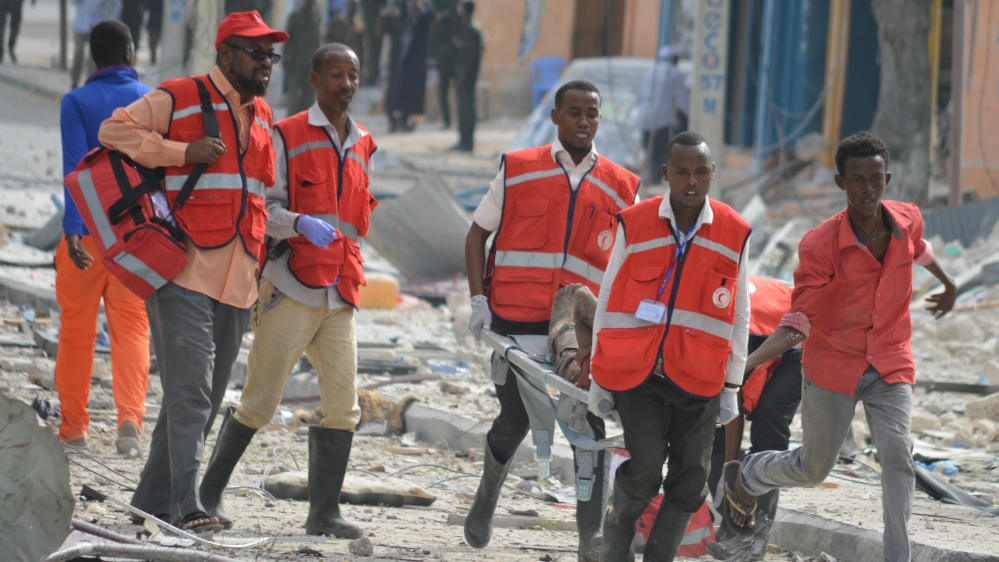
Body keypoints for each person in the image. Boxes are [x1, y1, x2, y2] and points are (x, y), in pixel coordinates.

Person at [719, 132, 958, 562]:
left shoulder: (907, 220)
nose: (867, 189)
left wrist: (948, 283)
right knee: (814, 467)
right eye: (857, 180)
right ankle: (752, 472)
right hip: (832, 366)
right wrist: (749, 363)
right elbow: (797, 320)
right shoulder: (820, 245)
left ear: (887, 178)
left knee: (898, 455)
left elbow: (919, 250)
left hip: (890, 359)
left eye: (875, 179)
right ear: (840, 183)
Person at [98, 10, 288, 534]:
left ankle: (148, 502)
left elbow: (255, 195)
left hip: (239, 274)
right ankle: (188, 506)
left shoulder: (265, 115)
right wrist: (182, 150)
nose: (265, 62)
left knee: (201, 400)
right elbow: (114, 129)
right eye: (256, 52)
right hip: (181, 267)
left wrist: (270, 259)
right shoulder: (181, 94)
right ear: (226, 52)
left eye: (270, 55)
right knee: (190, 394)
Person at [199, 43, 375, 539]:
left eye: (353, 76)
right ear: (315, 80)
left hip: (339, 292)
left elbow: (358, 220)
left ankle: (324, 513)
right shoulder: (287, 134)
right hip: (290, 285)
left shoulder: (363, 143)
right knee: (260, 402)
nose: (346, 85)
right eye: (336, 76)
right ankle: (207, 493)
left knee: (344, 406)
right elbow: (260, 210)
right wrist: (298, 223)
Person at [463, 80, 641, 562]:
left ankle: (589, 542)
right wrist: (478, 300)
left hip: (580, 334)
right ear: (557, 117)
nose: (584, 121)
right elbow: (477, 235)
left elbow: (626, 272)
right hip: (515, 322)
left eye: (593, 114)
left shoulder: (624, 187)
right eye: (575, 112)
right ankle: (486, 498)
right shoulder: (518, 169)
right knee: (514, 420)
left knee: (591, 429)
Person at [589, 131, 750, 562]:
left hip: (700, 379)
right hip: (639, 375)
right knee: (642, 469)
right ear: (666, 174)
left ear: (712, 174)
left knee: (691, 479)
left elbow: (739, 316)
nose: (691, 181)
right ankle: (617, 537)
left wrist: (732, 387)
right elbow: (607, 298)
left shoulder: (734, 232)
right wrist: (597, 375)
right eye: (681, 172)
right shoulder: (635, 222)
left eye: (700, 171)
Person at [57, 19, 150, 457]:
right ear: (129, 52)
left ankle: (74, 429)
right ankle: (130, 421)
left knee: (77, 330)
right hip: (136, 235)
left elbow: (76, 167)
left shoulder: (76, 101)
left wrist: (74, 228)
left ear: (94, 56)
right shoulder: (152, 100)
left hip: (87, 234)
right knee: (131, 325)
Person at [705, 275, 800, 546]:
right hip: (760, 336)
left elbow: (733, 403)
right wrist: (732, 474)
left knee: (769, 419)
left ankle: (758, 531)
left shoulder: (727, 325)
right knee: (716, 429)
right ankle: (730, 522)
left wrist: (734, 476)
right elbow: (727, 410)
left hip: (799, 341)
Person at [636, 46, 689, 184]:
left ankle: (653, 182)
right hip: (663, 121)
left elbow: (639, 98)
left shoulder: (649, 73)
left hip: (645, 121)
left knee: (652, 156)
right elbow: (684, 101)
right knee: (667, 154)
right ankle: (660, 184)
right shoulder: (674, 73)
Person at [386, 0, 432, 132]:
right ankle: (394, 120)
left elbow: (429, 15)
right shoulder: (402, 10)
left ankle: (406, 119)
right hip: (400, 57)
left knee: (410, 91)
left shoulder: (423, 11)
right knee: (397, 90)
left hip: (414, 58)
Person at [70, 0, 122, 88]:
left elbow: (117, 4)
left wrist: (111, 21)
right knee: (78, 53)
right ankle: (74, 82)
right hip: (80, 24)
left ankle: (90, 84)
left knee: (93, 58)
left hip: (97, 25)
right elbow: (73, 2)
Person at [284, 0, 321, 115]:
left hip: (310, 62)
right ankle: (289, 123)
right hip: (296, 60)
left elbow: (317, 40)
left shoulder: (316, 17)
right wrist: (286, 57)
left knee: (309, 96)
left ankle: (304, 122)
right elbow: (288, 39)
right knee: (293, 97)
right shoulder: (295, 16)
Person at [451, 0, 480, 152]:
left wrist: (463, 77)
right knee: (463, 109)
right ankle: (463, 141)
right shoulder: (468, 28)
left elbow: (471, 54)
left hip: (466, 77)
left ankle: (467, 142)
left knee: (467, 110)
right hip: (464, 74)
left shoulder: (471, 29)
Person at [431, 0, 460, 129]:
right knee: (443, 92)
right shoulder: (445, 17)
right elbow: (432, 28)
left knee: (460, 92)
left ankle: (461, 120)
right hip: (444, 59)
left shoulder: (461, 18)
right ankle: (447, 121)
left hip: (457, 59)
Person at [325, 0, 364, 72]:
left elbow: (361, 48)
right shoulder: (337, 20)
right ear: (347, 5)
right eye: (351, 5)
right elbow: (327, 37)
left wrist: (361, 67)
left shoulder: (359, 26)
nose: (353, 8)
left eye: (355, 6)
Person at [360, 0, 383, 85]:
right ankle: (368, 73)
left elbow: (382, 6)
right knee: (366, 47)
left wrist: (380, 22)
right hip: (367, 19)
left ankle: (373, 75)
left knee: (374, 48)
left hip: (375, 21)